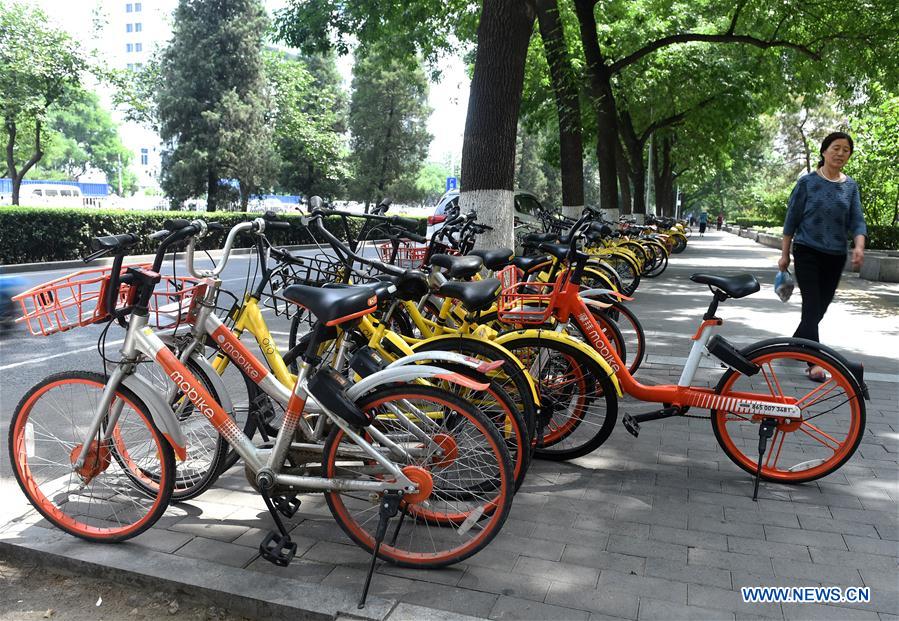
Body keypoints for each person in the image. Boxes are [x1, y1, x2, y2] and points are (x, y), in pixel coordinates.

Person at [778, 131, 867, 382]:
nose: (840, 153)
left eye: (846, 150)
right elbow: (791, 220)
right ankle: (813, 363)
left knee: (819, 310)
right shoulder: (807, 182)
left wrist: (859, 247)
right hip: (807, 250)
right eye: (836, 148)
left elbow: (857, 221)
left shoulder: (850, 186)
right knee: (811, 306)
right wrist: (785, 255)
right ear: (824, 151)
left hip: (835, 255)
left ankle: (795, 343)